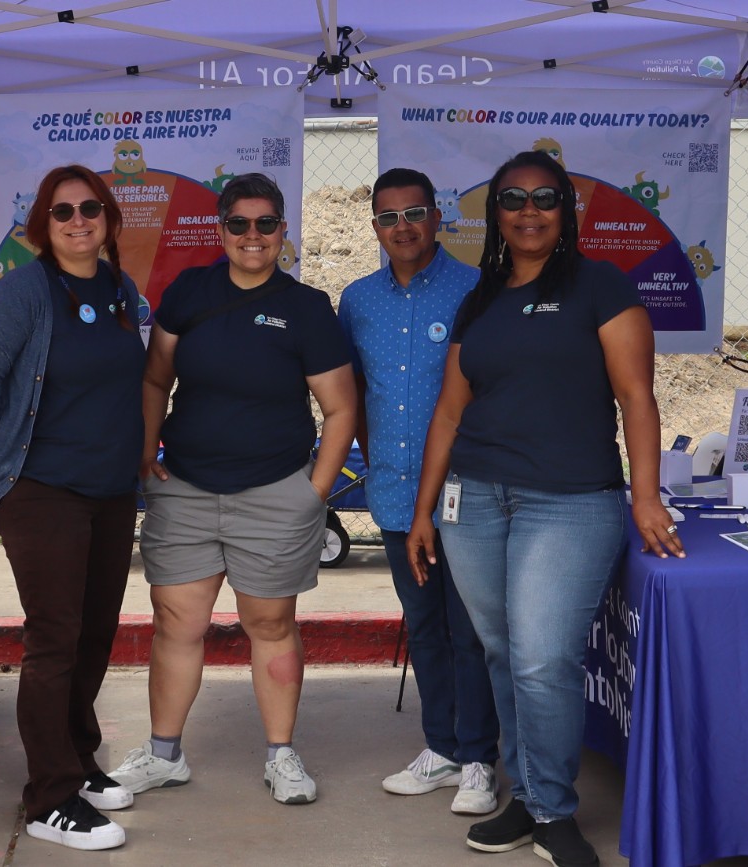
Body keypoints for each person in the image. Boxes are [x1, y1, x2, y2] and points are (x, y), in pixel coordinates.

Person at [406, 151, 685, 867]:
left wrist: (646, 493)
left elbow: (637, 399)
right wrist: (423, 510)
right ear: (494, 214)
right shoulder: (481, 297)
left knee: (540, 658)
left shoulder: (601, 287)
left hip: (568, 501)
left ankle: (554, 810)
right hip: (473, 502)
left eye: (544, 198)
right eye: (513, 200)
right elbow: (448, 411)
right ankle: (527, 794)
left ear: (566, 210)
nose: (528, 212)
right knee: (503, 651)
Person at [109, 173, 356, 806]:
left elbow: (341, 409)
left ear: (282, 232)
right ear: (221, 230)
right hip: (185, 488)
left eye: (266, 224)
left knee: (269, 623)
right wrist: (144, 452)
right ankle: (164, 755)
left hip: (276, 491)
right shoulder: (190, 290)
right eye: (239, 224)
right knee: (175, 623)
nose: (253, 236)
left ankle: (281, 755)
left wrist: (315, 491)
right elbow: (153, 380)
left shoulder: (305, 308)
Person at [0, 164, 144, 852]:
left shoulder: (122, 290)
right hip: (41, 491)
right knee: (55, 638)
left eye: (90, 208)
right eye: (62, 212)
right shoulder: (22, 295)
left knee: (94, 633)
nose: (78, 220)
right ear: (43, 223)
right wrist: (26, 438)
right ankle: (49, 796)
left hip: (111, 490)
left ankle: (79, 758)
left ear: (109, 217)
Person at [338, 168, 500, 815]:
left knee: (470, 630)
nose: (401, 227)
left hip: (466, 498)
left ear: (437, 218)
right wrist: (378, 470)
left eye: (413, 213)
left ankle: (479, 758)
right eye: (388, 216)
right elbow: (355, 397)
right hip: (398, 498)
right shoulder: (357, 300)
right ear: (374, 226)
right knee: (426, 626)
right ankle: (442, 747)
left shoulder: (476, 291)